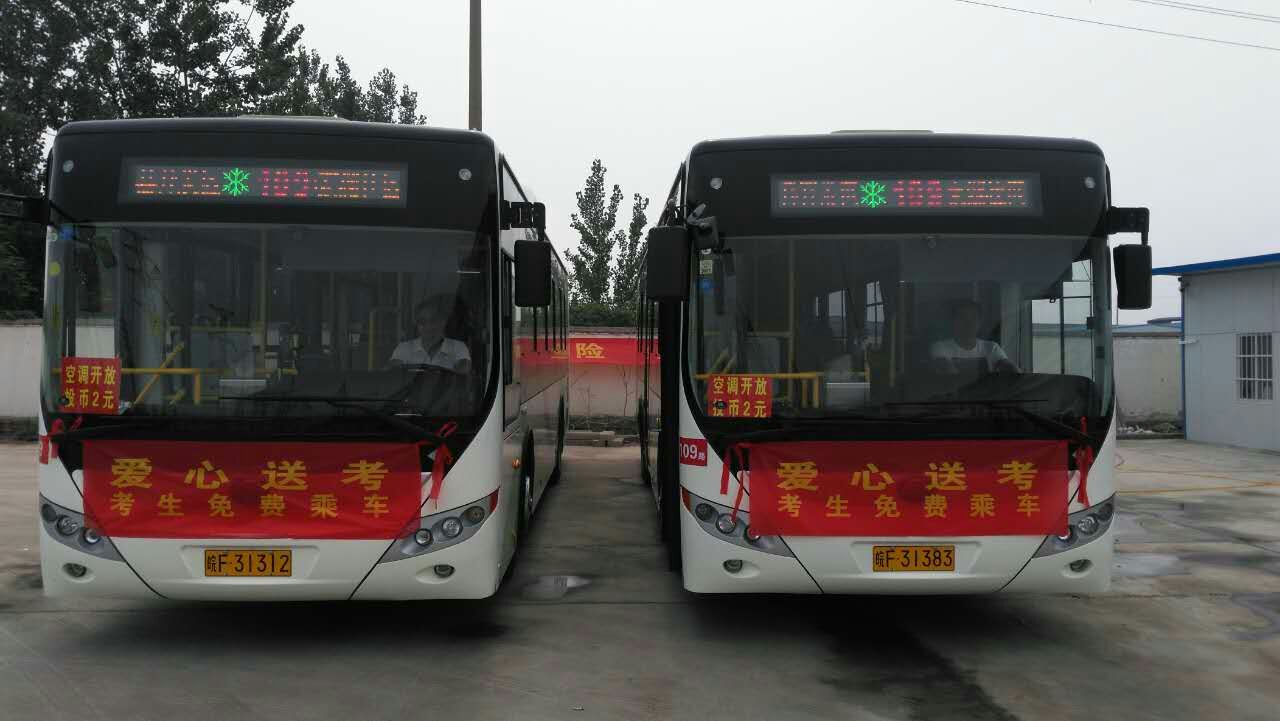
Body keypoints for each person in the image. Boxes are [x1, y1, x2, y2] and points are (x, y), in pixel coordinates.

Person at [930, 300, 1018, 374]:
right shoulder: (940, 347)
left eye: (973, 318)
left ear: (980, 323)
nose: (968, 323)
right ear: (953, 321)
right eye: (962, 317)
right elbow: (947, 370)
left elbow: (1009, 367)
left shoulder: (991, 347)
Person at [389, 296, 471, 373]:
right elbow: (393, 372)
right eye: (422, 322)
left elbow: (464, 372)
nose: (428, 327)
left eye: (433, 321)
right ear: (417, 325)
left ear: (442, 322)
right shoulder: (403, 348)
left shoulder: (458, 347)